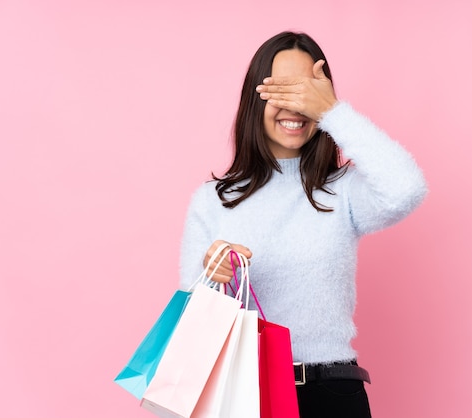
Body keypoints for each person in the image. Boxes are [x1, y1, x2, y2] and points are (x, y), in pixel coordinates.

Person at [179, 31, 427, 418]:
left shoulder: (342, 191)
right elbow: (193, 318)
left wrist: (333, 113)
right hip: (247, 394)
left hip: (334, 393)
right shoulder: (213, 200)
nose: (295, 106)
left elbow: (406, 189)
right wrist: (213, 276)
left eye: (306, 92)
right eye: (281, 90)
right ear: (253, 98)